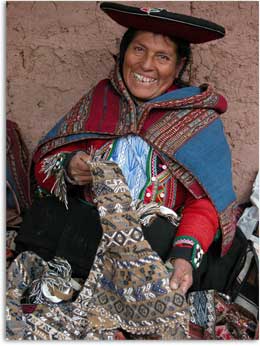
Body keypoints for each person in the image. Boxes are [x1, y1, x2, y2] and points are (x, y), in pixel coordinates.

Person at [16, 2, 237, 300]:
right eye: (138, 50)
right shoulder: (101, 100)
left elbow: (206, 204)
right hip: (91, 233)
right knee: (44, 215)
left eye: (162, 57)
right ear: (123, 54)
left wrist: (183, 256)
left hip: (152, 245)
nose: (146, 65)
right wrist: (69, 168)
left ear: (179, 65)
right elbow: (46, 167)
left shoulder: (197, 120)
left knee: (159, 240)